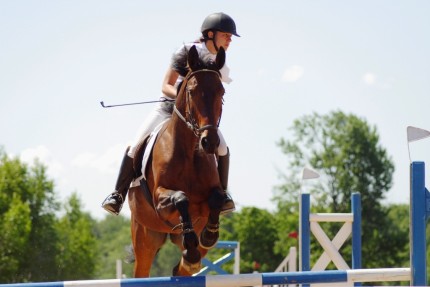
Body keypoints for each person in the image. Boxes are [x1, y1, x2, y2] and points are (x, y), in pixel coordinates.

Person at [101, 12, 240, 216]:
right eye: (226, 35)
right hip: (167, 109)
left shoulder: (221, 65)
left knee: (222, 147)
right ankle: (117, 195)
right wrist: (184, 98)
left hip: (196, 118)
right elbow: (166, 85)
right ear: (210, 34)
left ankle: (222, 194)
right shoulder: (186, 51)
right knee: (135, 144)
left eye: (230, 36)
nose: (229, 40)